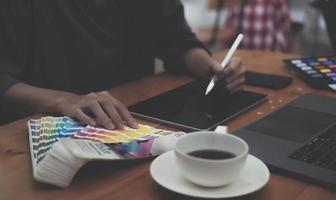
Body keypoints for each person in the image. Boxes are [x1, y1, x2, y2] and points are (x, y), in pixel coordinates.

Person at [0, 0, 245, 129]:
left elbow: (179, 42)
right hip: (50, 129)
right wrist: (65, 100)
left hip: (136, 124)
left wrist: (212, 67)